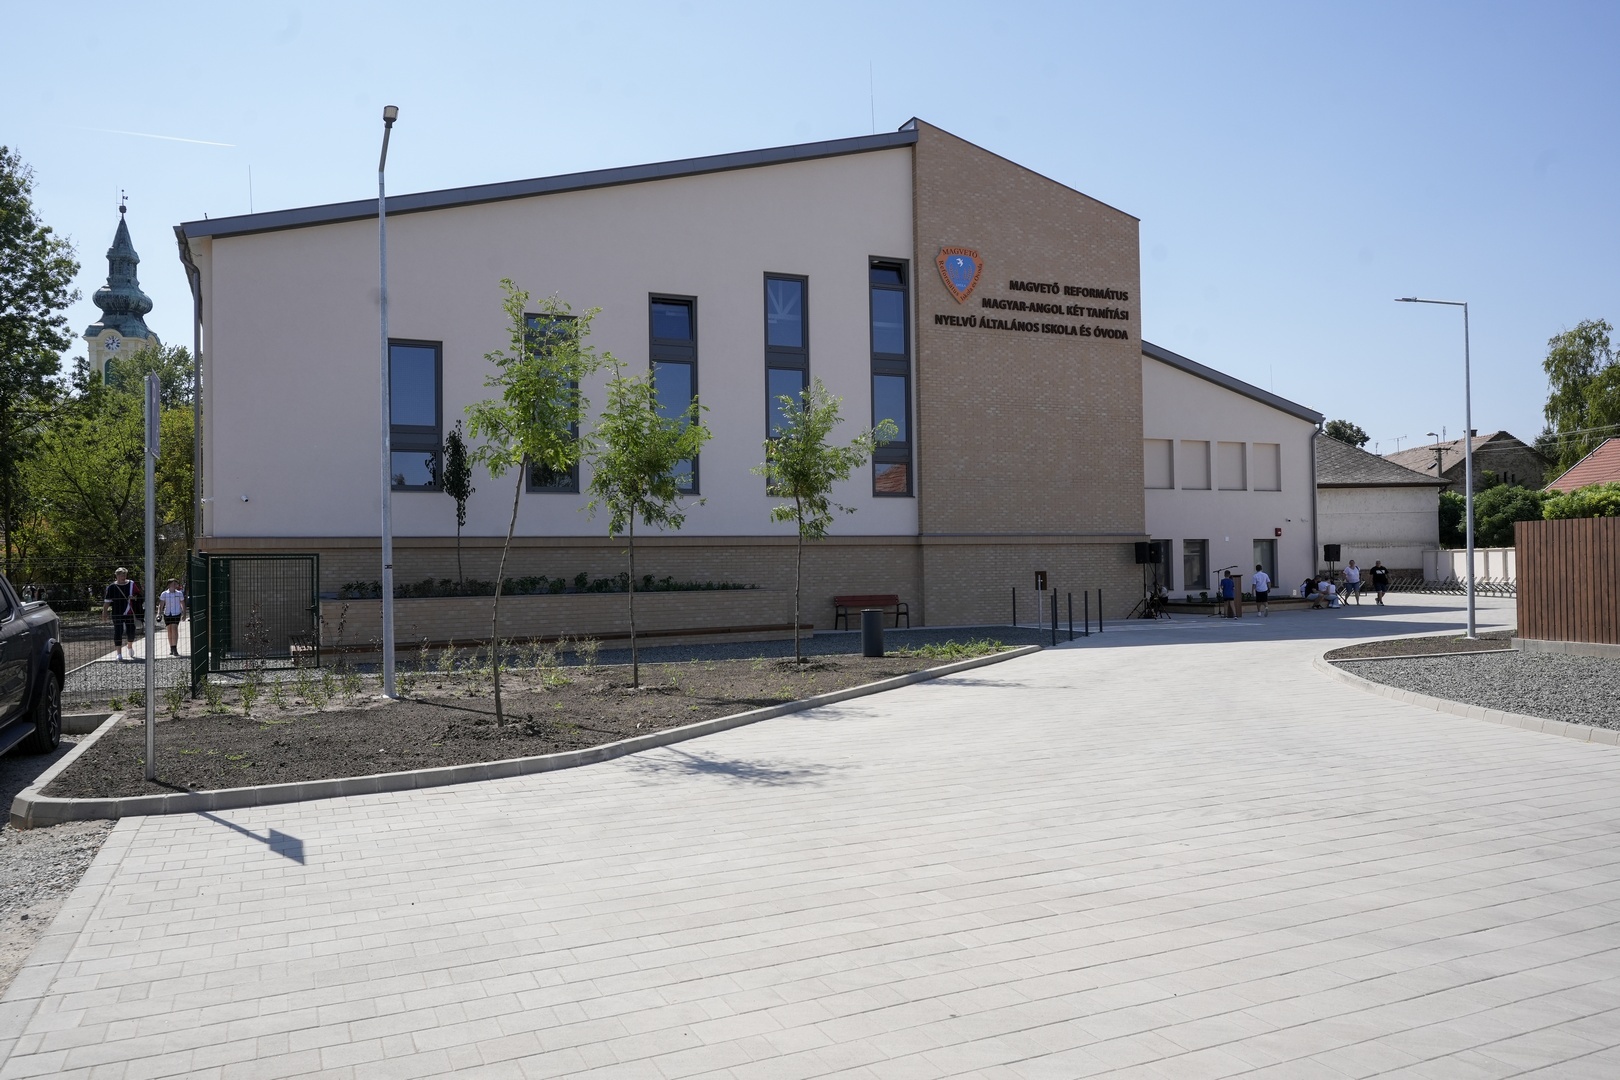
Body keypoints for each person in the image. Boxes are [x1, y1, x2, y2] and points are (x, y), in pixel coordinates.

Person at [103, 567, 142, 662]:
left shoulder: (131, 584)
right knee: (118, 631)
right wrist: (104, 611)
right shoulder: (112, 587)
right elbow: (107, 601)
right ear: (116, 576)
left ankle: (129, 645)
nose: (123, 577)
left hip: (129, 612)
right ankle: (119, 654)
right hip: (117, 613)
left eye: (124, 575)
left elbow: (139, 596)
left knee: (131, 632)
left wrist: (134, 597)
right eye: (121, 575)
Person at [159, 578, 186, 656]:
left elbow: (182, 603)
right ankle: (171, 647)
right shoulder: (164, 594)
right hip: (167, 613)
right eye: (173, 584)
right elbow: (161, 604)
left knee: (174, 628)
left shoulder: (179, 593)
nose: (175, 585)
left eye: (176, 584)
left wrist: (184, 613)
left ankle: (175, 648)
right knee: (169, 630)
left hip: (176, 613)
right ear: (169, 585)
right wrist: (159, 613)